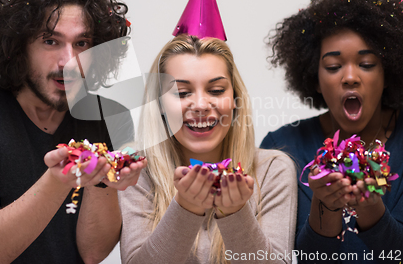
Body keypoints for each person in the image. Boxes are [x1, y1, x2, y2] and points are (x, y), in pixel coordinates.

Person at [0, 0, 146, 264]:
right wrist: (59, 179)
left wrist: (105, 180)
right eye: (50, 41)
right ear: (18, 47)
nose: (68, 61)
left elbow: (93, 252)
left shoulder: (107, 116)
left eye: (82, 43)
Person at [260, 0, 403, 263]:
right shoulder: (281, 147)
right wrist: (326, 206)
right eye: (333, 66)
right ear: (314, 78)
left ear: (387, 72)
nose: (350, 77)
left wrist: (368, 204)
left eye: (366, 64)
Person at [119, 35, 297, 264]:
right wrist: (186, 208)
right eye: (182, 93)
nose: (201, 105)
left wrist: (235, 213)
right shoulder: (136, 171)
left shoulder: (273, 169)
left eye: (215, 90)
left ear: (235, 100)